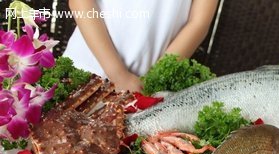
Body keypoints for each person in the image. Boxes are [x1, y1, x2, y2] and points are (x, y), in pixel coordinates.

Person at [64, 0, 218, 92]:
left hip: (147, 87)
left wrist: (153, 81)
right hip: (87, 68)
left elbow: (198, 23)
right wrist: (118, 75)